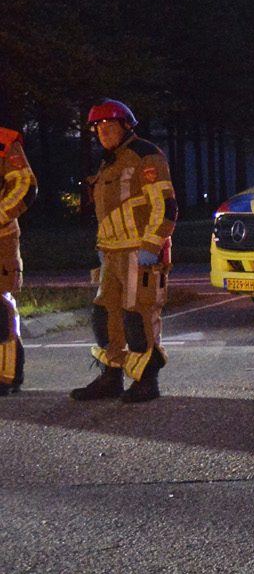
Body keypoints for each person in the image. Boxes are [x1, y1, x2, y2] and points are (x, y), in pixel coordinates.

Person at [71, 99, 176, 404]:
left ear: (126, 126)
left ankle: (146, 381)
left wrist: (152, 244)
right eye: (98, 128)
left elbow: (165, 205)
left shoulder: (145, 155)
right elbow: (107, 212)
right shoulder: (109, 162)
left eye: (109, 125)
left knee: (138, 317)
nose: (103, 132)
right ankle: (111, 377)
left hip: (138, 252)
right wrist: (101, 249)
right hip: (112, 253)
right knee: (105, 317)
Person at [0, 121, 36, 394]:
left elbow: (25, 185)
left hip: (0, 239)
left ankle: (6, 376)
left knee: (0, 306)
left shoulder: (4, 141)